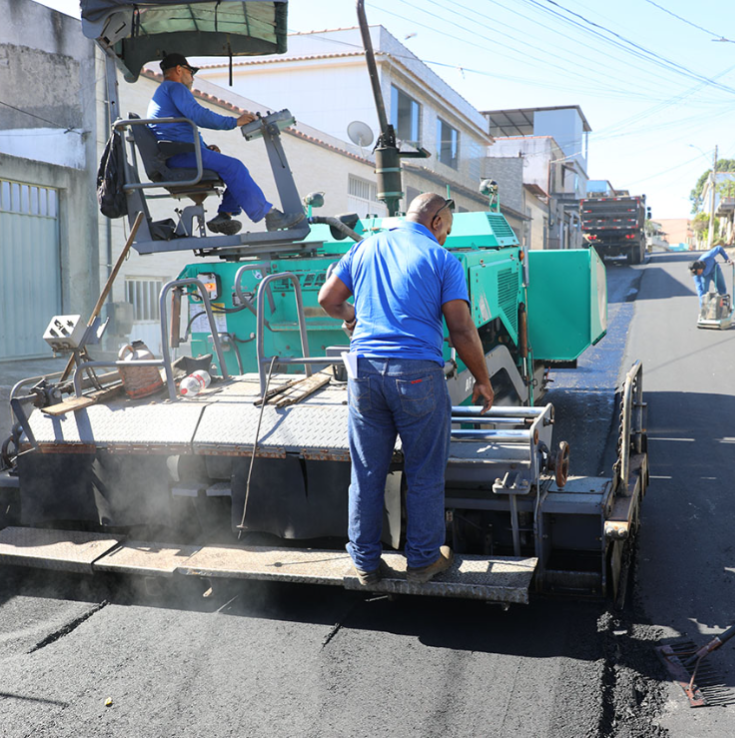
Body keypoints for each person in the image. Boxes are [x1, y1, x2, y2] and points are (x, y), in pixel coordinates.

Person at [317, 193, 495, 586]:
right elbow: (462, 329)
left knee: (366, 471)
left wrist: (353, 318)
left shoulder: (365, 247)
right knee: (424, 471)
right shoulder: (442, 259)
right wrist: (482, 379)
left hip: (363, 372)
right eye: (446, 230)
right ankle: (423, 561)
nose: (445, 239)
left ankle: (365, 563)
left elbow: (328, 299)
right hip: (416, 373)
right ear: (435, 221)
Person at [147, 53, 305, 235]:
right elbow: (199, 115)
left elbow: (179, 129)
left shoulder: (165, 91)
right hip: (180, 155)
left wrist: (206, 149)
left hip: (179, 153)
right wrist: (234, 122)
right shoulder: (176, 88)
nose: (192, 78)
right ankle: (271, 216)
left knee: (231, 167)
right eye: (191, 72)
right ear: (179, 70)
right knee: (235, 167)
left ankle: (224, 216)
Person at [689, 245, 733, 310]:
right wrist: (702, 305)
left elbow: (719, 248)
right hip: (706, 276)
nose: (698, 275)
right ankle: (705, 311)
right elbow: (699, 288)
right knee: (704, 293)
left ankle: (724, 308)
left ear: (700, 268)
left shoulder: (707, 256)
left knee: (722, 289)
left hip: (715, 270)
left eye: (698, 273)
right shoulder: (696, 275)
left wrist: (727, 258)